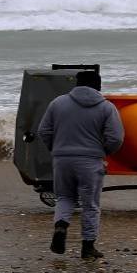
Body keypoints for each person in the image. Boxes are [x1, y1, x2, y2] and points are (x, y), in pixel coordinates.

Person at [37, 70, 124, 260]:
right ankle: (88, 247)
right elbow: (116, 137)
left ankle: (61, 226)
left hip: (62, 159)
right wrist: (103, 152)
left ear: (77, 84)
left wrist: (57, 148)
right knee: (90, 204)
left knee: (65, 197)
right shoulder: (106, 107)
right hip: (90, 161)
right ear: (98, 86)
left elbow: (43, 130)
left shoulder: (58, 103)